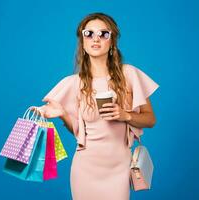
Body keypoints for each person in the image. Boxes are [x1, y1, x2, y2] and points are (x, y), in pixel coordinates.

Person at [38, 12, 159, 200]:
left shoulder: (129, 74)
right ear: (83, 43)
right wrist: (63, 114)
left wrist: (124, 114)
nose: (96, 38)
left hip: (119, 166)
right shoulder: (74, 83)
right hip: (85, 168)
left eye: (104, 34)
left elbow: (150, 119)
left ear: (112, 43)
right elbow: (80, 134)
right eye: (89, 33)